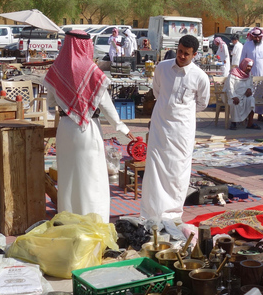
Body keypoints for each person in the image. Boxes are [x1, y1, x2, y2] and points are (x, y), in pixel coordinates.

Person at [44, 31, 134, 222]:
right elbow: (106, 106)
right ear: (85, 45)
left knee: (68, 179)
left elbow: (51, 101)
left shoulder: (57, 69)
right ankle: (94, 222)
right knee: (92, 179)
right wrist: (123, 128)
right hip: (87, 129)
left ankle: (70, 222)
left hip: (66, 130)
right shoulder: (92, 71)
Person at [140, 35, 210, 221]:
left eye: (186, 54)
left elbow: (202, 104)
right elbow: (157, 91)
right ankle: (151, 211)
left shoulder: (200, 77)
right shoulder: (162, 68)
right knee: (155, 168)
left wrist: (180, 112)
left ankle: (172, 213)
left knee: (177, 171)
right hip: (160, 126)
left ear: (194, 54)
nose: (181, 56)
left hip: (182, 131)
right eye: (179, 51)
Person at [240, 27, 263, 121]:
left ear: (261, 36)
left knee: (262, 95)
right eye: (255, 37)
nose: (257, 39)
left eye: (259, 37)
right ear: (252, 36)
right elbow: (242, 59)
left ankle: (260, 115)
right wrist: (241, 71)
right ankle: (248, 115)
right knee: (250, 95)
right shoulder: (247, 45)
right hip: (250, 74)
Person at [226, 58, 259, 131]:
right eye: (248, 66)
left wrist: (250, 90)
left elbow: (251, 85)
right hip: (234, 95)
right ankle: (233, 122)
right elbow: (229, 86)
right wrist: (233, 96)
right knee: (235, 103)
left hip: (244, 96)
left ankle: (250, 123)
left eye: (250, 67)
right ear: (244, 65)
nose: (249, 68)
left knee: (251, 100)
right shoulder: (233, 73)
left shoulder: (249, 74)